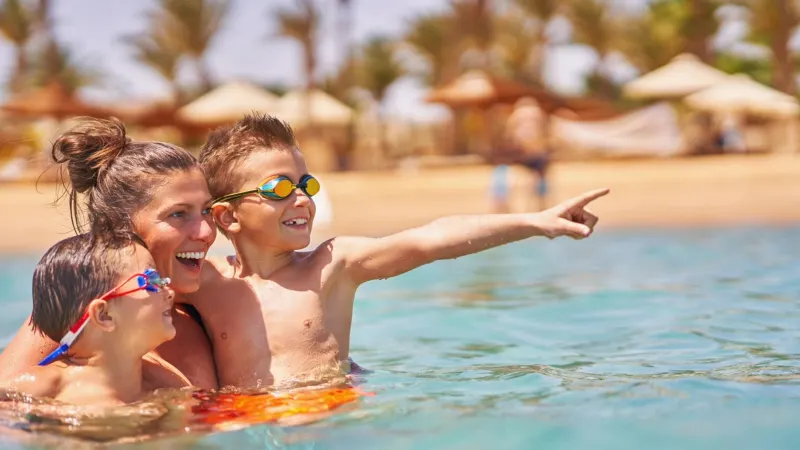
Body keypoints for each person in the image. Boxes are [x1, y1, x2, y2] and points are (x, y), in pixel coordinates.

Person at [185, 113, 609, 389]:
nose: (300, 198)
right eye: (279, 188)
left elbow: (430, 239)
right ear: (227, 218)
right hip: (247, 420)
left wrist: (534, 222)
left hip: (325, 413)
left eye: (306, 184)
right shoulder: (207, 282)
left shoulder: (333, 266)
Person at [0, 118, 218, 390]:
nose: (206, 232)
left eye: (207, 210)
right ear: (119, 227)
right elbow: (8, 396)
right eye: (178, 214)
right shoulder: (81, 307)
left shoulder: (216, 296)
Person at [0, 233, 187, 406]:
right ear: (103, 315)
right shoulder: (46, 385)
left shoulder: (165, 382)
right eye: (152, 281)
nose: (169, 292)